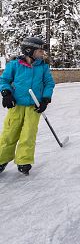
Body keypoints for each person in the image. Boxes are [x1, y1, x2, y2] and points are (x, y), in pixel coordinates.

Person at [0, 37, 55, 176]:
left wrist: (45, 99)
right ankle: (1, 159)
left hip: (33, 106)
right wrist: (6, 93)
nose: (42, 54)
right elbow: (4, 80)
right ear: (29, 51)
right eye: (40, 51)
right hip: (16, 105)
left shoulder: (43, 67)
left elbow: (49, 83)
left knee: (28, 134)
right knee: (9, 133)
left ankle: (24, 160)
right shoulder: (14, 65)